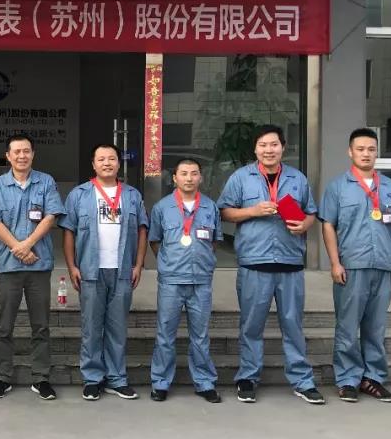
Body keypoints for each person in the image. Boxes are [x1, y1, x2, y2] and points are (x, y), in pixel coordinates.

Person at [217, 125, 325, 406]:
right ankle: (247, 377)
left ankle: (302, 381)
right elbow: (224, 212)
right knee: (251, 326)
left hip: (290, 263)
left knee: (293, 326)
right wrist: (253, 210)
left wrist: (305, 225)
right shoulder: (241, 178)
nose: (269, 150)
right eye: (263, 145)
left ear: (283, 148)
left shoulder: (297, 178)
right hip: (254, 263)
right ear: (255, 149)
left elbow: (311, 212)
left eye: (274, 144)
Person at [319, 128, 391, 404]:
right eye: (360, 149)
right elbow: (328, 225)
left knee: (376, 326)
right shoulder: (338, 187)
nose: (366, 154)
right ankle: (348, 379)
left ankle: (373, 378)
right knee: (348, 326)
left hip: (383, 265)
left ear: (376, 152)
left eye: (371, 149)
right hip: (352, 265)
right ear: (350, 152)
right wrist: (335, 263)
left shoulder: (390, 187)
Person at [0, 133, 66, 400]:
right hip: (8, 266)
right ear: (8, 156)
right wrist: (18, 248)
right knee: (4, 325)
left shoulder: (46, 181)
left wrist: (27, 244)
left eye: (26, 151)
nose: (22, 156)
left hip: (38, 265)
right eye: (16, 151)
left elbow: (50, 217)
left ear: (33, 154)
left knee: (41, 325)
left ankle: (41, 378)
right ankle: (2, 377)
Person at [60, 143, 148, 400]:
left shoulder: (132, 195)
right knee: (91, 327)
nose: (107, 163)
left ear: (119, 164)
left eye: (111, 159)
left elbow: (142, 230)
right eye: (101, 159)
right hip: (90, 271)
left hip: (122, 271)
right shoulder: (79, 195)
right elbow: (69, 232)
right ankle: (92, 378)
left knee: (117, 328)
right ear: (93, 164)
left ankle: (117, 378)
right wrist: (72, 266)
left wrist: (138, 265)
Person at [147, 158, 222, 404]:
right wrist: (170, 262)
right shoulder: (162, 208)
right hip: (171, 281)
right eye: (184, 173)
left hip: (201, 280)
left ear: (201, 177)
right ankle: (160, 382)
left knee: (200, 335)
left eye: (194, 173)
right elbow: (155, 241)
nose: (189, 178)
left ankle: (204, 382)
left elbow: (214, 242)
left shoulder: (210, 207)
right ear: (174, 178)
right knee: (165, 334)